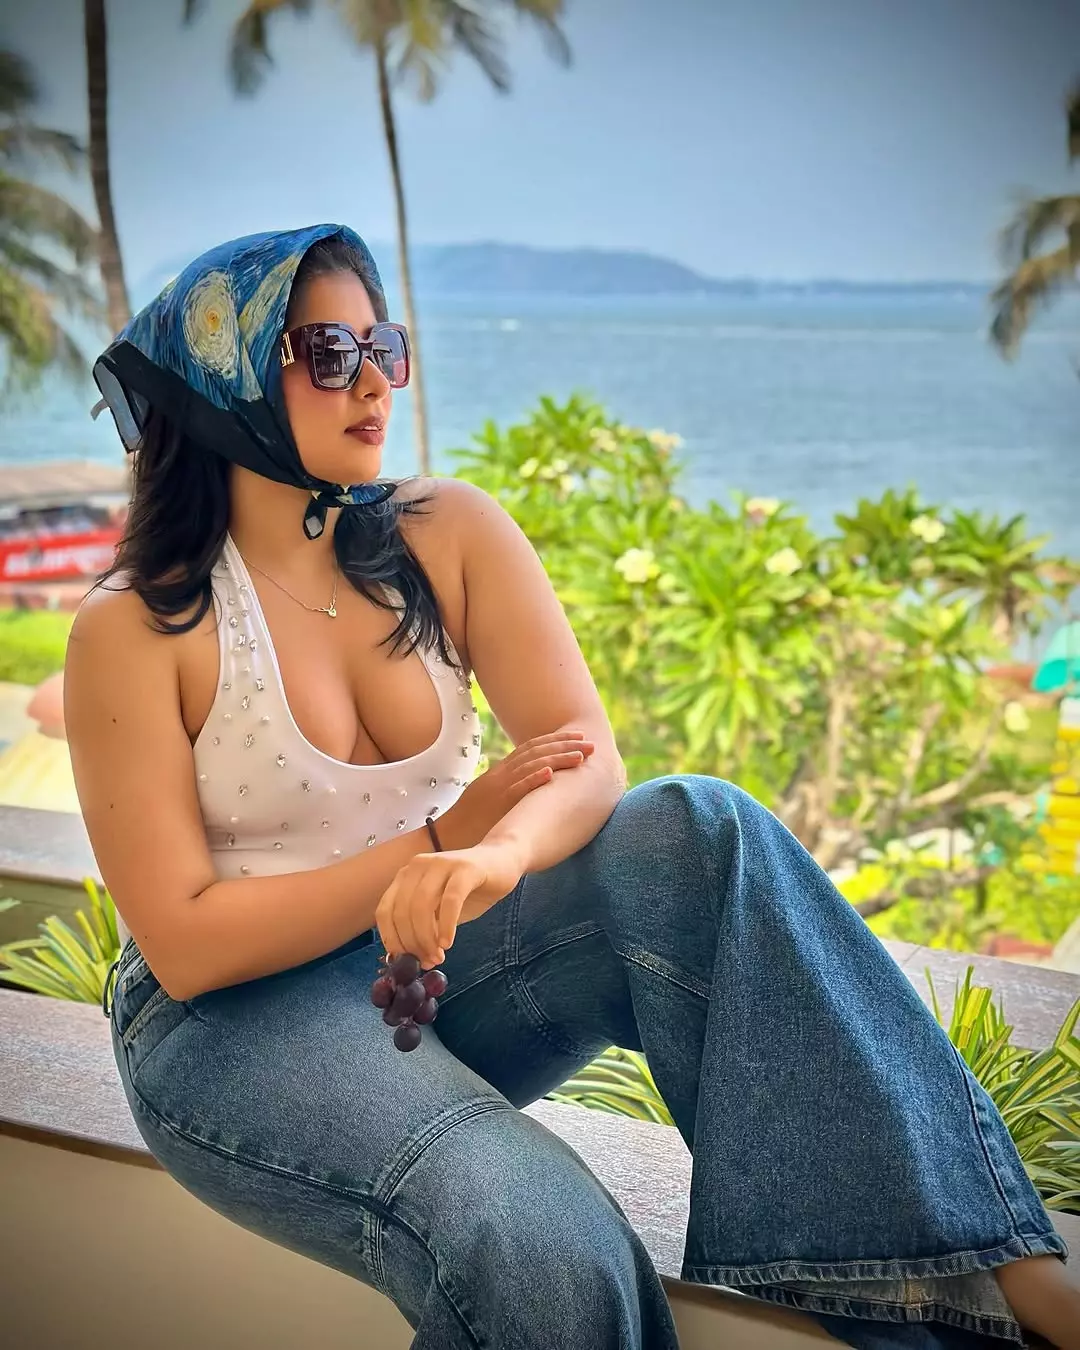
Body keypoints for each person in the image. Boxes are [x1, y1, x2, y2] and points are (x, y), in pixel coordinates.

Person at [66, 224, 1077, 1350]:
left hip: (428, 966)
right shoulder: (140, 625)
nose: (377, 384)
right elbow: (188, 944)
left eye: (384, 347)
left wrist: (498, 855)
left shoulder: (444, 532)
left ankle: (1006, 1276)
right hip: (230, 1026)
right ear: (230, 379)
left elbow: (584, 752)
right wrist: (438, 840)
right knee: (543, 1234)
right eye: (330, 354)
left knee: (699, 830)